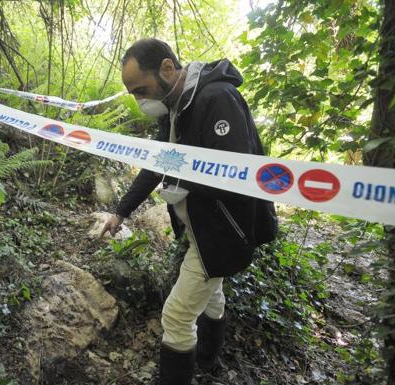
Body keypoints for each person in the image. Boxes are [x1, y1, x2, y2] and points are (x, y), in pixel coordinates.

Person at [101, 39, 277, 385]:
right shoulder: (172, 108)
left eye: (141, 89)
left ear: (167, 69)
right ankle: (209, 361)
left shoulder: (216, 99)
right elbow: (156, 164)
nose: (140, 100)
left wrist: (185, 182)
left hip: (223, 231)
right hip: (200, 227)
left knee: (178, 315)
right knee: (212, 293)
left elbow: (237, 173)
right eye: (133, 94)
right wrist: (121, 212)